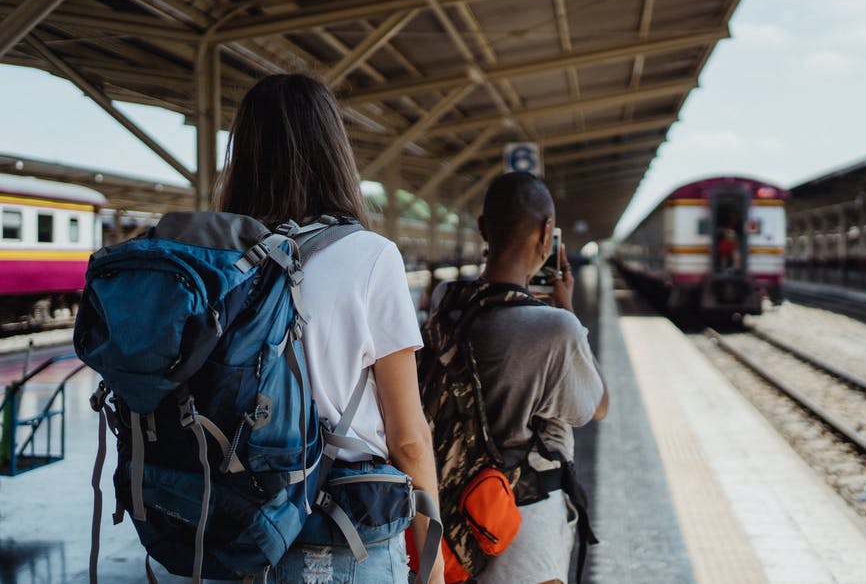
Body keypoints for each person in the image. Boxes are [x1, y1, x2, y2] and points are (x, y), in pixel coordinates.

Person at [215, 73, 443, 583]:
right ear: (333, 152)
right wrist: (433, 564)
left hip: (232, 534)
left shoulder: (214, 262)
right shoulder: (371, 257)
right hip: (344, 537)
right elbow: (409, 439)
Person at [430, 172, 607, 584]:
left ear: (481, 229)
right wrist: (569, 313)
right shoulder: (557, 329)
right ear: (548, 234)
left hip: (453, 510)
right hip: (525, 517)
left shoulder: (446, 304)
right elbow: (598, 406)